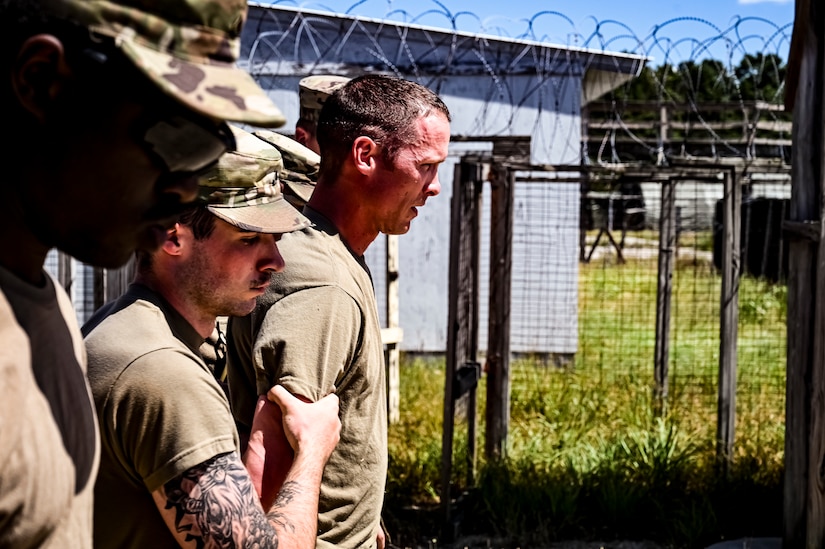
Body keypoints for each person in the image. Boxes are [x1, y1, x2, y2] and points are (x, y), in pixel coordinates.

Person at [0, 0, 286, 546]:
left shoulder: (47, 306)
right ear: (41, 82)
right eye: (176, 141)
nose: (184, 191)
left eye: (209, 154)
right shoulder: (147, 361)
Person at [83, 126, 342, 549]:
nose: (275, 260)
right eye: (249, 238)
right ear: (171, 235)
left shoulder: (118, 328)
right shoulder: (164, 373)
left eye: (275, 239)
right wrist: (312, 450)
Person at [226, 74, 452, 548]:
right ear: (365, 156)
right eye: (426, 166)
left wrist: (367, 526)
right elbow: (267, 468)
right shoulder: (323, 286)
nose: (434, 188)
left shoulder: (326, 247)